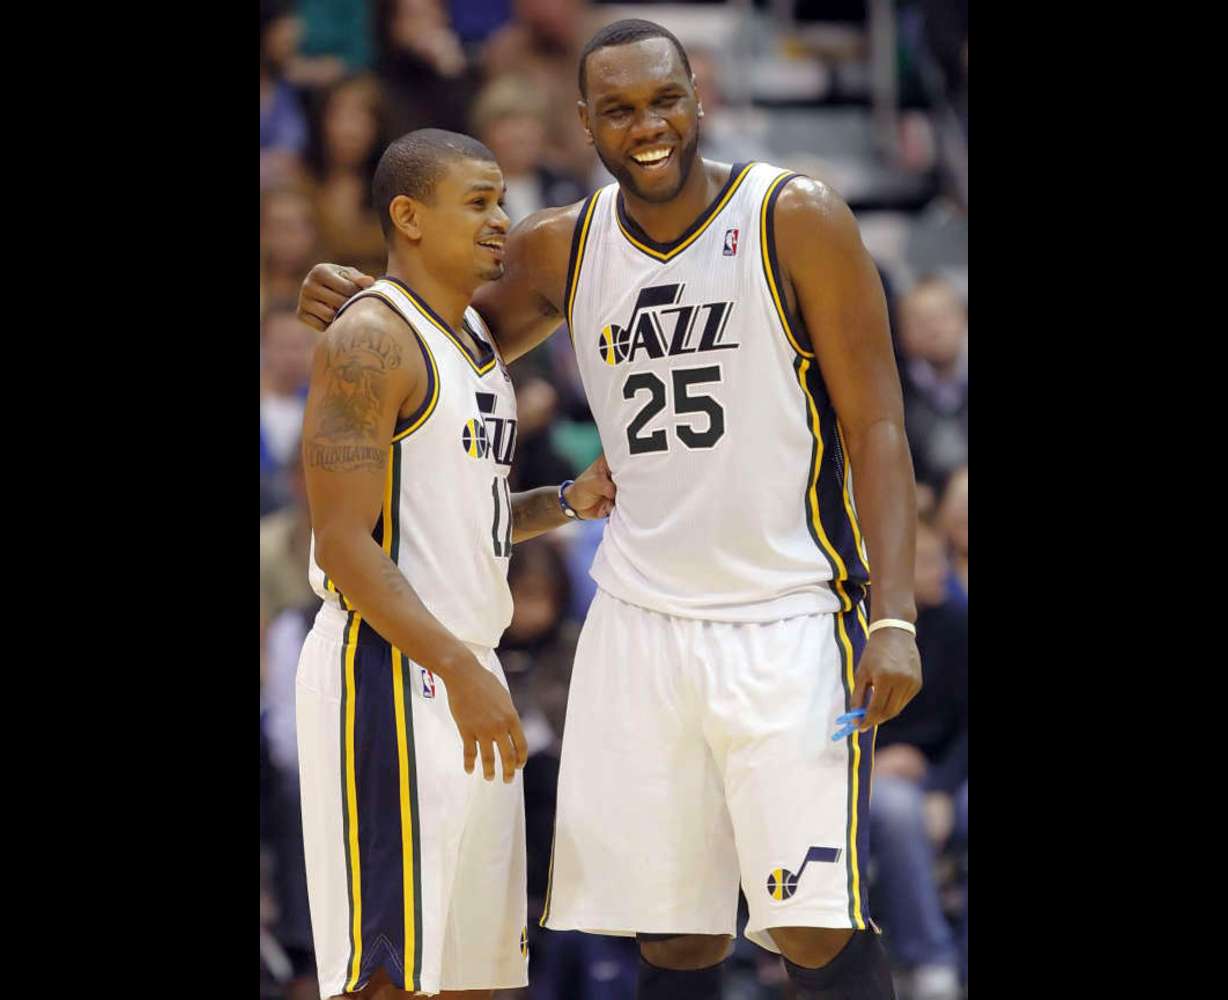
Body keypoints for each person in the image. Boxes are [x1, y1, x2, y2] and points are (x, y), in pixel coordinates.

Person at [298, 20, 922, 1000]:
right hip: (636, 624)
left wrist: (892, 613)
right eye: (620, 110)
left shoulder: (792, 216)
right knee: (670, 935)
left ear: (697, 97)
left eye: (664, 99)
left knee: (810, 924)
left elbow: (881, 426)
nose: (649, 126)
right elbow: (434, 338)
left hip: (786, 612)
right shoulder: (565, 245)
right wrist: (362, 297)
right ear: (582, 122)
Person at [294, 127, 615, 1000]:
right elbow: (344, 543)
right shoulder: (369, 339)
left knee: (478, 975)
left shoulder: (476, 343)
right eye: (476, 202)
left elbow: (450, 521)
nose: (499, 220)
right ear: (408, 215)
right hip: (389, 672)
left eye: (501, 199)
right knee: (388, 976)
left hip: (466, 663)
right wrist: (455, 669)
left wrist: (563, 502)